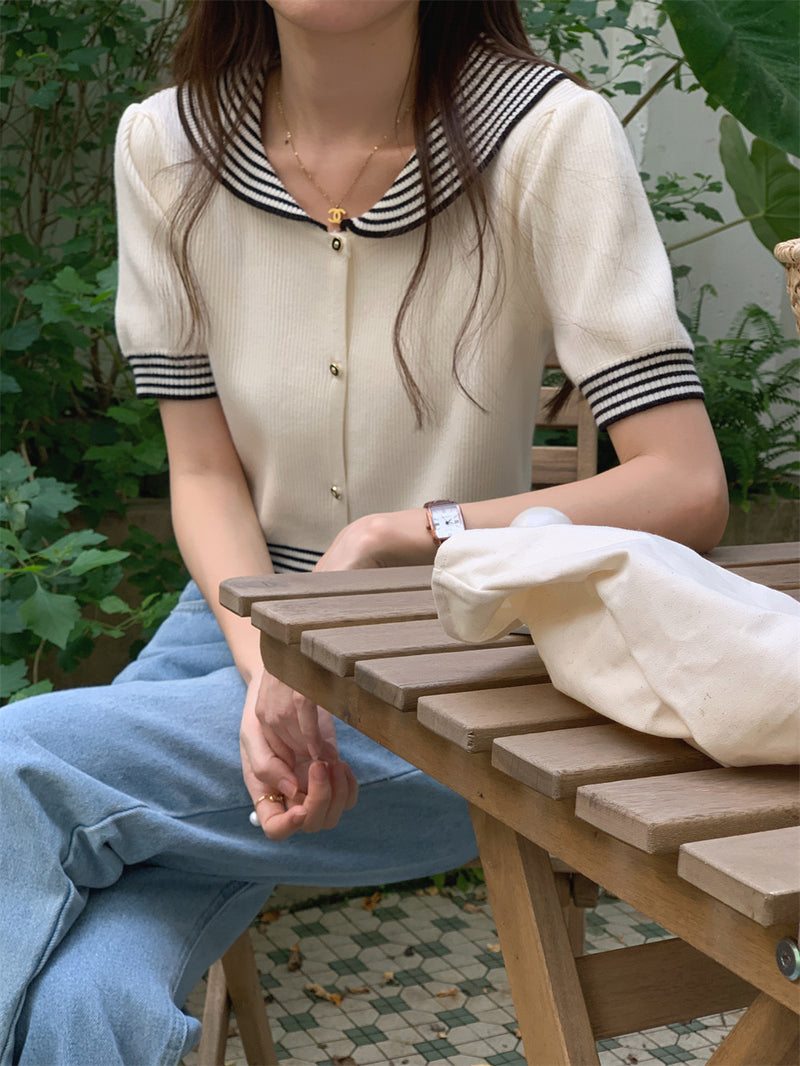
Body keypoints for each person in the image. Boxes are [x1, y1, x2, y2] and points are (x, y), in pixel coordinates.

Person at [0, 1, 729, 1062]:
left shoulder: (541, 133)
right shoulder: (165, 145)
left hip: (469, 661)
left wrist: (403, 533)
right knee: (90, 996)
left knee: (20, 760)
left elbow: (683, 482)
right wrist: (270, 663)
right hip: (237, 629)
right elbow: (201, 469)